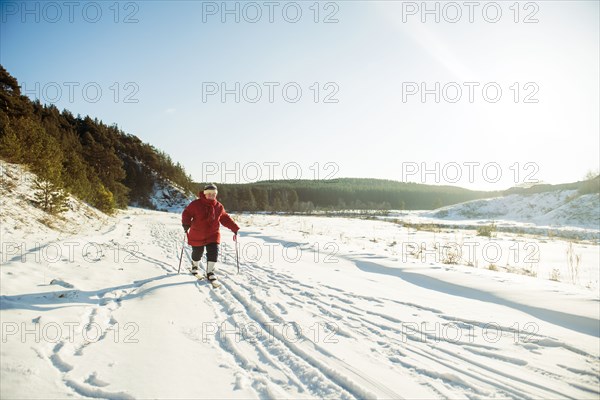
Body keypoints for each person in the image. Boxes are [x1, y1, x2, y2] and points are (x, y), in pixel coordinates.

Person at [181, 183, 239, 282]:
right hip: (197, 233)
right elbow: (186, 213)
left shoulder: (219, 206)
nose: (211, 195)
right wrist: (186, 224)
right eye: (209, 193)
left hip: (213, 234)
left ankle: (210, 272)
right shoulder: (196, 204)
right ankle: (195, 266)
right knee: (197, 252)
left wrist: (234, 227)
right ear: (205, 194)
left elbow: (225, 218)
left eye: (214, 193)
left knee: (213, 252)